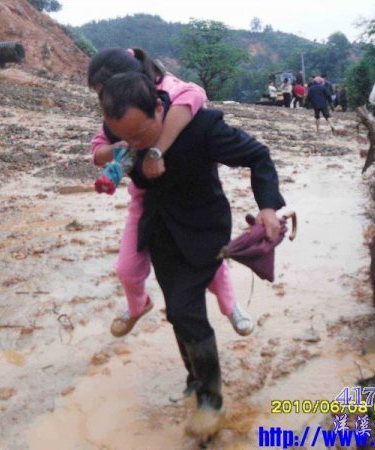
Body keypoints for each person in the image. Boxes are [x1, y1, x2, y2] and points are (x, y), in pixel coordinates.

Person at [99, 72, 286, 439]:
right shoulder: (123, 132)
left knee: (185, 309)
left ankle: (211, 402)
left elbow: (258, 156)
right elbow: (106, 151)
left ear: (158, 108)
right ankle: (195, 378)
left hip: (204, 229)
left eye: (140, 136)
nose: (133, 145)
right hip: (160, 230)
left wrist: (268, 207)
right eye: (125, 138)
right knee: (177, 312)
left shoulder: (203, 128)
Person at [87, 48, 254, 337]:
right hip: (147, 196)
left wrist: (155, 151)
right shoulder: (117, 114)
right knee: (128, 268)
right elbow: (97, 150)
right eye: (102, 97)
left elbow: (195, 94)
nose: (109, 101)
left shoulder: (167, 92)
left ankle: (230, 306)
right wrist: (118, 149)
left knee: (208, 258)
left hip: (192, 191)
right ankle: (138, 305)